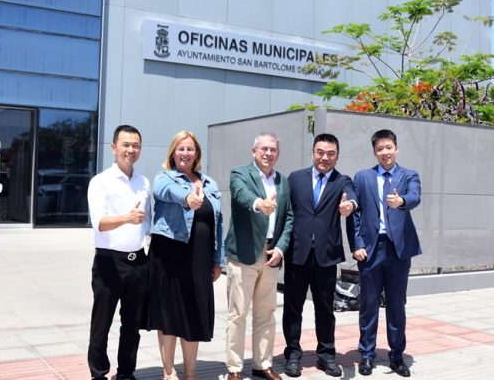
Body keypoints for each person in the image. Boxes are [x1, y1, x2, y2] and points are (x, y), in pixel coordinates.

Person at [147, 131, 224, 380]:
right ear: (173, 152)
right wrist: (188, 198)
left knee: (194, 313)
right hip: (169, 256)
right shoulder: (164, 177)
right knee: (168, 315)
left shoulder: (209, 183)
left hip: (200, 259)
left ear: (196, 153)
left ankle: (190, 373)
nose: (186, 153)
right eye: (181, 148)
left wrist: (217, 260)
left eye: (190, 149)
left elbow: (218, 224)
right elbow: (168, 192)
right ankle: (169, 372)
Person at [347, 129, 421, 378]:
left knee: (396, 304)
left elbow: (415, 196)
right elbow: (355, 213)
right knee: (368, 304)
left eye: (388, 147)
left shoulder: (409, 175)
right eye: (380, 149)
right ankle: (367, 355)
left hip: (398, 250)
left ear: (396, 149)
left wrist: (402, 202)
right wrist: (357, 244)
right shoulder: (363, 177)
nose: (385, 152)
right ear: (374, 152)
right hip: (371, 249)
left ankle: (397, 356)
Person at [282, 133, 357, 378]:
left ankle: (326, 356)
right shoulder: (296, 178)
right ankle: (293, 354)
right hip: (297, 253)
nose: (325, 157)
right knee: (293, 307)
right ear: (313, 152)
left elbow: (352, 198)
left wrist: (349, 205)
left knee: (325, 309)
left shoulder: (342, 180)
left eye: (330, 153)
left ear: (337, 156)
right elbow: (285, 211)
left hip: (326, 256)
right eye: (320, 152)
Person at [225, 132, 293, 380]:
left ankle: (262, 364)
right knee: (238, 315)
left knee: (266, 313)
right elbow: (240, 194)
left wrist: (281, 248)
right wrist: (259, 204)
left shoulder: (282, 181)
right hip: (244, 254)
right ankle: (234, 368)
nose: (268, 153)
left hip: (270, 254)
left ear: (278, 153)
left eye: (273, 149)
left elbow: (289, 217)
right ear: (254, 151)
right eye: (263, 149)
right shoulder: (239, 173)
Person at [86, 125, 151, 380]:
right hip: (109, 262)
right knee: (101, 323)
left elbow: (147, 221)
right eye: (125, 145)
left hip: (138, 261)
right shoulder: (100, 182)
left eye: (135, 145)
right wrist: (127, 218)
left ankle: (126, 373)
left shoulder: (144, 182)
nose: (130, 150)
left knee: (132, 325)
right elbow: (99, 222)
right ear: (114, 147)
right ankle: (98, 373)